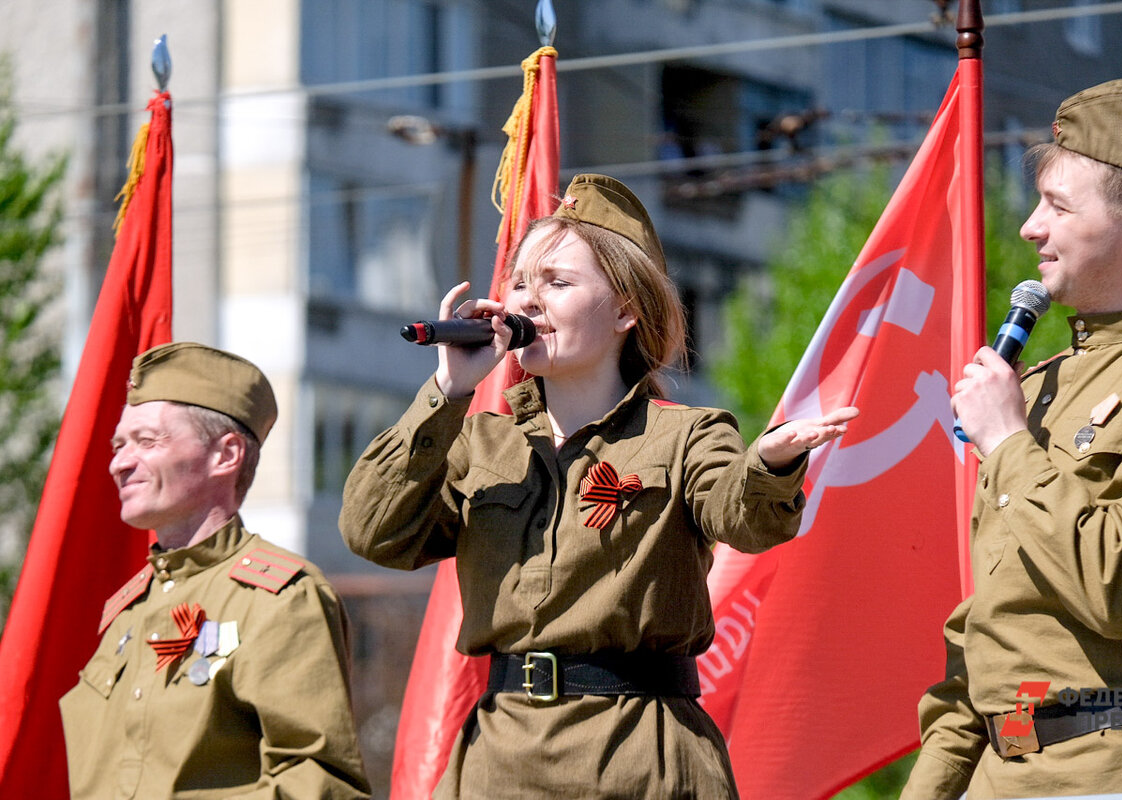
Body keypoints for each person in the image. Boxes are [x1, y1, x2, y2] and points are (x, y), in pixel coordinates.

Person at [340, 173, 858, 798]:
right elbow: (372, 532)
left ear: (625, 310)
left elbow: (744, 519)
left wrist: (771, 464)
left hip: (639, 750)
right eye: (521, 283)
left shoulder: (686, 435)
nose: (529, 302)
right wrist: (447, 392)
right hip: (500, 757)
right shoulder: (479, 441)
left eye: (557, 283)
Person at [901, 79, 1122, 799]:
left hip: (1118, 777)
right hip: (997, 778)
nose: (1031, 228)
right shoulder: (1036, 387)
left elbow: (1120, 589)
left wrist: (1006, 440)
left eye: (1058, 207)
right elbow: (984, 634)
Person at [60, 342, 371, 799]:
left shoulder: (281, 598)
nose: (120, 463)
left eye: (147, 442)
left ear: (225, 455)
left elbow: (317, 783)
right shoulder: (125, 609)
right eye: (119, 445)